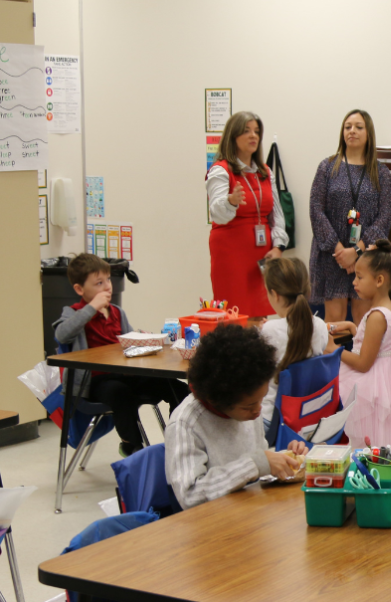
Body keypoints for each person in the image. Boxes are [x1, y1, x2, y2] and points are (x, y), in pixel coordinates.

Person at [54, 253, 186, 457]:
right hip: (97, 381)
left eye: (108, 280)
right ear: (80, 289)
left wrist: (146, 340)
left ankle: (178, 438)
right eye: (98, 283)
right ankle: (132, 446)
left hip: (127, 374)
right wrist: (92, 307)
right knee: (119, 393)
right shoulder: (74, 312)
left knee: (175, 386)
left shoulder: (117, 312)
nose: (107, 286)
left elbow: (130, 343)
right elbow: (61, 334)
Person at [165, 324, 308, 510]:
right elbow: (190, 496)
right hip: (211, 526)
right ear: (218, 400)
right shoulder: (186, 424)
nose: (258, 411)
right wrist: (256, 464)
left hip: (248, 510)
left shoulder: (247, 405)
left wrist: (282, 459)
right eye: (249, 406)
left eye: (261, 400)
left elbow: (255, 464)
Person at [309, 109, 391, 324]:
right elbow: (316, 210)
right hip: (332, 256)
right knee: (335, 320)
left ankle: (358, 358)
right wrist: (340, 251)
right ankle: (336, 358)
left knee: (362, 318)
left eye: (358, 127)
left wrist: (357, 251)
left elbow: (385, 216)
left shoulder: (380, 172)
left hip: (365, 256)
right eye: (348, 127)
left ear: (368, 133)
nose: (352, 131)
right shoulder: (327, 167)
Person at [206, 111, 288, 318]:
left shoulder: (265, 171)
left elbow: (276, 214)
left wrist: (278, 247)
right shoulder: (220, 170)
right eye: (246, 131)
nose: (253, 136)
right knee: (235, 314)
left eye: (257, 132)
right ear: (233, 136)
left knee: (260, 313)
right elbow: (217, 213)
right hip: (231, 252)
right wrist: (230, 201)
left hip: (262, 254)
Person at [337, 239, 391, 448]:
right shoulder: (388, 309)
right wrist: (352, 327)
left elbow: (363, 363)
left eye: (359, 277)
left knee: (368, 440)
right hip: (380, 382)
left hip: (369, 386)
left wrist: (334, 351)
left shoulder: (377, 316)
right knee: (377, 436)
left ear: (379, 280)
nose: (354, 282)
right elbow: (377, 344)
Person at [258, 257, 331, 429]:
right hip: (308, 415)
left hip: (272, 420)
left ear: (275, 294)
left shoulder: (269, 330)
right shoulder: (320, 326)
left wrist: (262, 332)